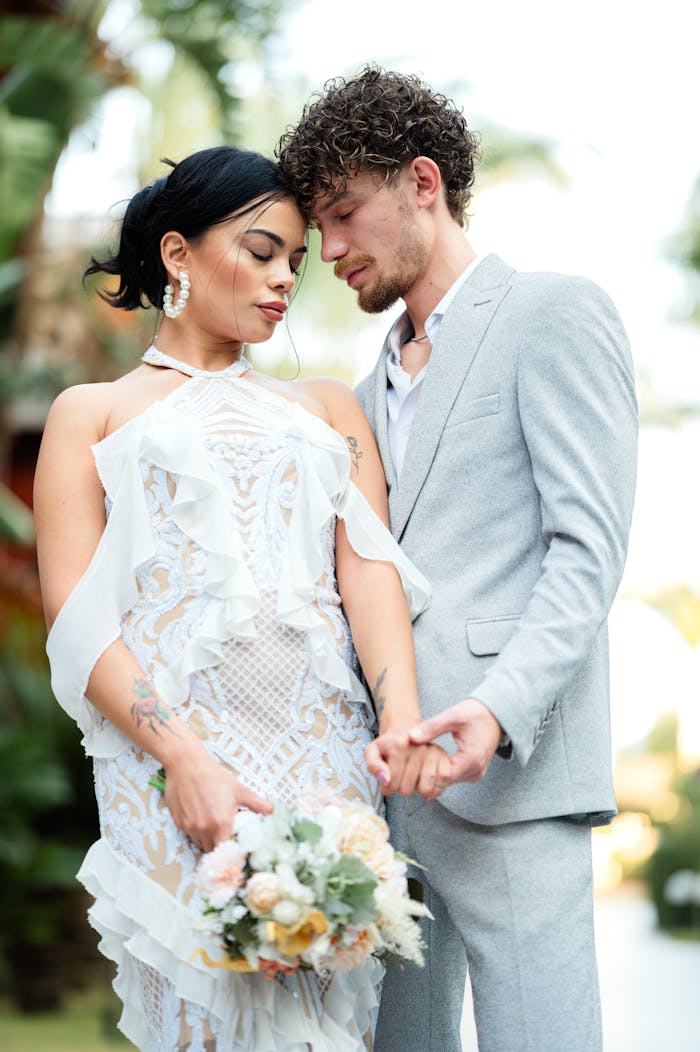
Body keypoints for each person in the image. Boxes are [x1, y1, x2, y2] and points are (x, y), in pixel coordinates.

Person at [33, 144, 452, 1052]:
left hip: (324, 761)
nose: (283, 280)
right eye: (261, 251)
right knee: (200, 1021)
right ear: (178, 255)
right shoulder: (90, 412)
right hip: (171, 766)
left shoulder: (329, 409)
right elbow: (74, 619)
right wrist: (182, 758)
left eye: (296, 262)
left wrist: (401, 715)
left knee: (331, 1023)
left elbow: (368, 574)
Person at [278, 66, 638, 1052]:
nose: (330, 250)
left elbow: (587, 547)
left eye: (344, 214)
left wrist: (495, 707)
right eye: (317, 230)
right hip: (383, 794)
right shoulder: (359, 385)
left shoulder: (552, 313)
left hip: (509, 778)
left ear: (423, 184)